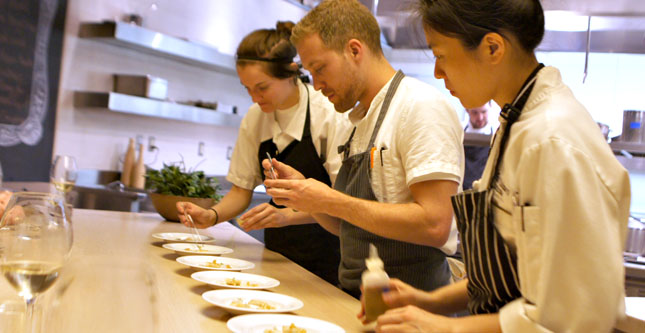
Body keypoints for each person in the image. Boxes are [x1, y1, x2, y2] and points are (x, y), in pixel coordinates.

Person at [375, 0, 631, 332]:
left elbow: (566, 318)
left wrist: (448, 328)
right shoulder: (515, 121)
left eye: (440, 55)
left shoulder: (552, 139)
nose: (438, 72)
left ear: (493, 48)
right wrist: (431, 301)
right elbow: (511, 274)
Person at [261, 0, 464, 299]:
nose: (316, 85)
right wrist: (307, 193)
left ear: (355, 50)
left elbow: (435, 224)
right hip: (358, 298)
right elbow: (346, 226)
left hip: (414, 308)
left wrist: (331, 198)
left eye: (320, 69)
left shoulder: (419, 107)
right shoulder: (358, 121)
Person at [176, 21, 348, 285]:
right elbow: (240, 190)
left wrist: (288, 216)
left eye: (262, 87)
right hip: (277, 257)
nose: (254, 98)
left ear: (290, 73)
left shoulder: (327, 113)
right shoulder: (256, 118)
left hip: (330, 260)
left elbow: (342, 203)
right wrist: (212, 215)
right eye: (247, 89)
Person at [462, 101, 495, 190]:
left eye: (484, 112)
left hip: (485, 189)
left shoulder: (497, 133)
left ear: (490, 107)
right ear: (467, 110)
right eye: (475, 112)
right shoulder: (459, 132)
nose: (480, 118)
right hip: (463, 188)